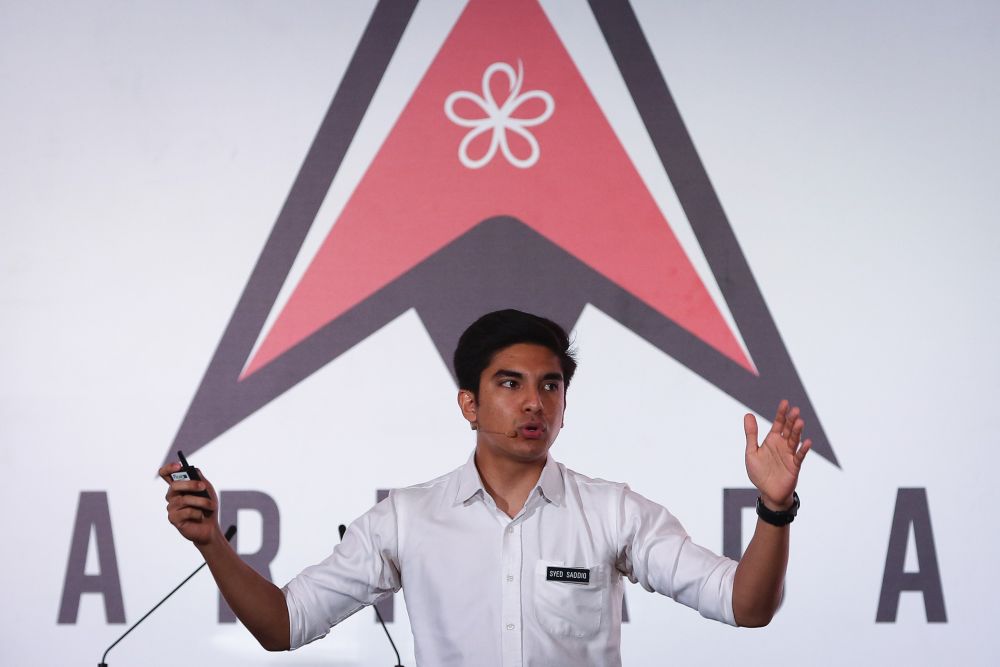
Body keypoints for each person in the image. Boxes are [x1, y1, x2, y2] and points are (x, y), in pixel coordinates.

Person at [160, 309, 811, 665]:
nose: (534, 402)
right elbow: (284, 625)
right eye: (510, 383)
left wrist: (774, 508)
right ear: (468, 404)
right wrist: (212, 541)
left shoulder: (613, 511)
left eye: (550, 386)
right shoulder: (406, 518)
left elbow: (745, 606)